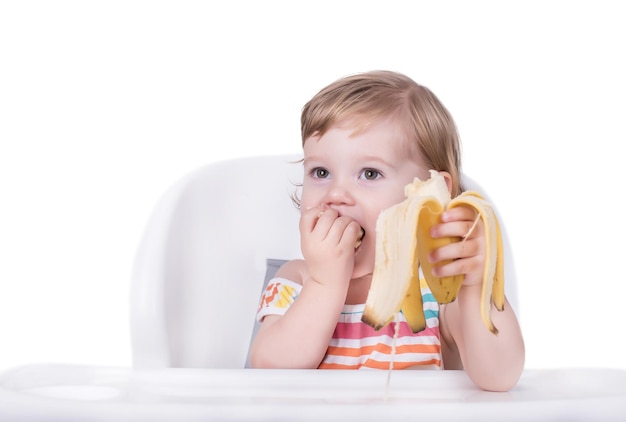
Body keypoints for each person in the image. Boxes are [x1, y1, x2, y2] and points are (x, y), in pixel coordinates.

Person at [248, 70, 525, 391]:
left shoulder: (440, 293)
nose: (336, 194)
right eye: (320, 171)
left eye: (369, 173)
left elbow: (500, 377)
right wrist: (325, 284)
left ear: (430, 193)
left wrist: (475, 285)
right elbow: (270, 372)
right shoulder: (296, 280)